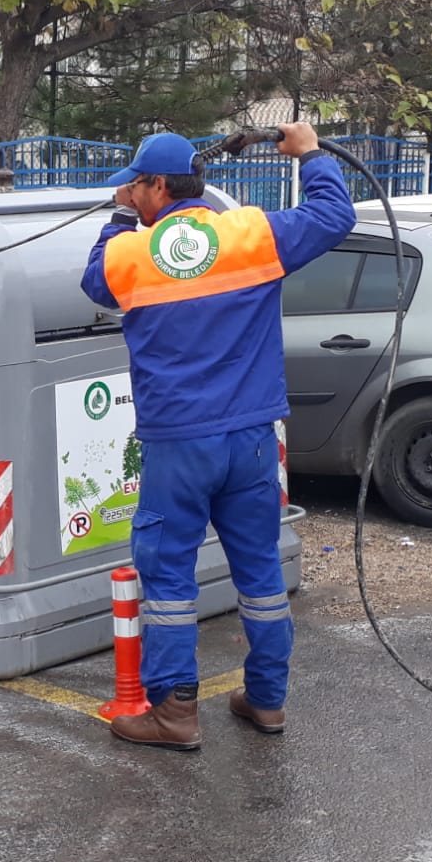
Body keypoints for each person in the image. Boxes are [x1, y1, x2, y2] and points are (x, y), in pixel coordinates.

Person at [79, 127, 357, 751]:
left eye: (138, 184)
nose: (134, 194)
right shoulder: (250, 234)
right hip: (252, 439)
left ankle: (175, 713)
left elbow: (97, 281)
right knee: (259, 571)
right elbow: (334, 214)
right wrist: (310, 153)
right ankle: (266, 701)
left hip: (178, 445)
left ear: (155, 185)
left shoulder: (134, 249)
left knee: (171, 578)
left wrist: (121, 215)